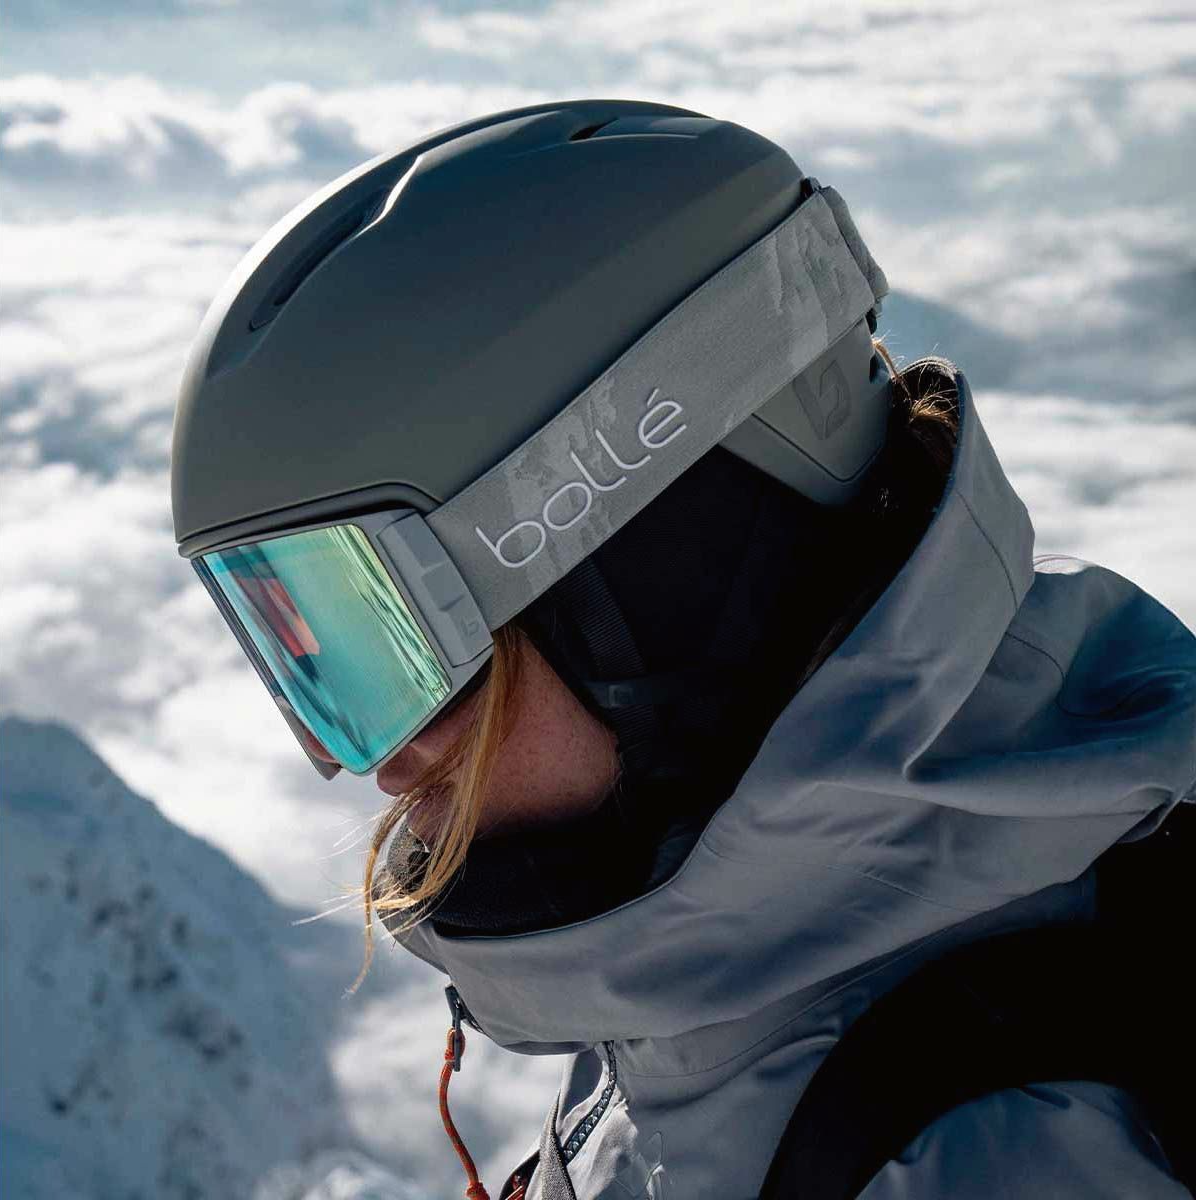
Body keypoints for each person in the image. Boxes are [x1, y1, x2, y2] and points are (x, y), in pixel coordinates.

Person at [170, 99, 1196, 1199]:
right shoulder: (706, 974)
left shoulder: (999, 1156)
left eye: (397, 651)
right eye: (322, 667)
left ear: (661, 582)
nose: (380, 762)